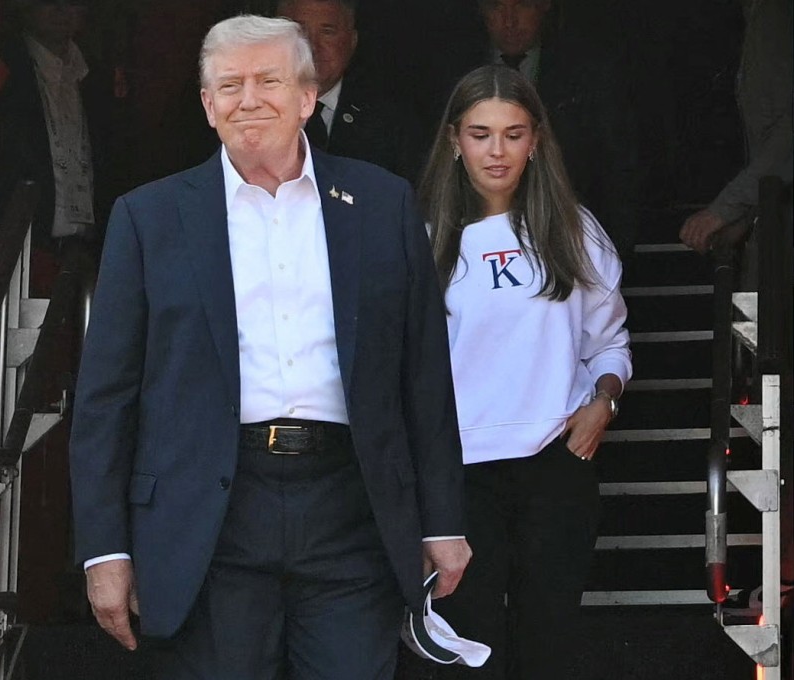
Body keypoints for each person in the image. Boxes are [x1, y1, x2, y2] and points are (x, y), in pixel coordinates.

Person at [69, 14, 472, 679]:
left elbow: (423, 377)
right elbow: (105, 397)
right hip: (210, 515)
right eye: (228, 85)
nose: (248, 98)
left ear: (308, 97)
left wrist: (442, 521)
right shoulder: (148, 217)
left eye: (267, 80)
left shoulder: (380, 203)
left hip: (353, 507)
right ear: (206, 104)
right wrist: (103, 549)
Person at [418, 64, 632, 679]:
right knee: (471, 649)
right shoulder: (424, 238)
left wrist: (605, 402)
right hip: (458, 474)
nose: (497, 150)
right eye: (480, 133)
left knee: (550, 641)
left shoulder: (574, 230)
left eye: (513, 133)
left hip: (555, 464)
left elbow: (610, 343)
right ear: (454, 140)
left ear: (536, 140)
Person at [426, 0, 640, 269]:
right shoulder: (452, 71)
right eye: (496, 7)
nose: (509, 20)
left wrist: (617, 244)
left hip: (567, 245)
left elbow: (616, 161)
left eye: (523, 5)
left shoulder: (587, 71)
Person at [0, 0, 128, 256]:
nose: (62, 9)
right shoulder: (2, 68)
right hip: (24, 248)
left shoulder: (96, 78)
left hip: (89, 250)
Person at [678, 0, 792, 262]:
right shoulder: (759, 17)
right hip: (768, 222)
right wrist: (743, 215)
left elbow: (787, 134)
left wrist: (727, 208)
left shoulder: (775, 16)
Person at [277, 0, 425, 181]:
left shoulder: (392, 123)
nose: (312, 46)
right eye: (299, 32)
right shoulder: (251, 110)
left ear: (352, 41)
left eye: (327, 32)